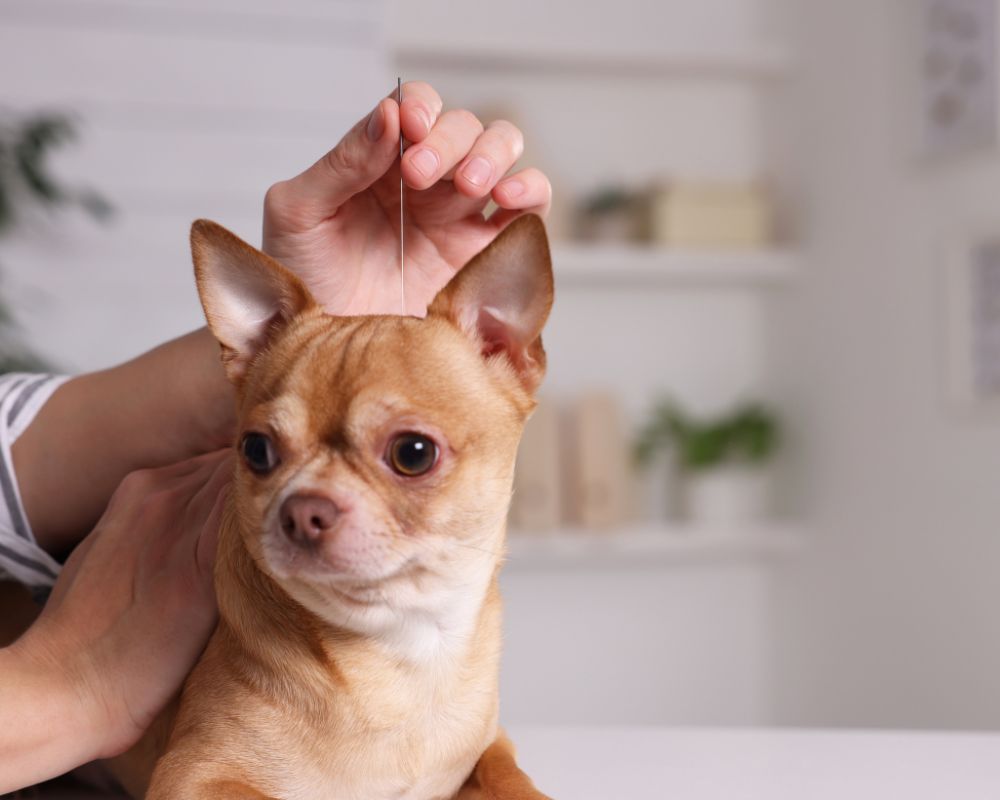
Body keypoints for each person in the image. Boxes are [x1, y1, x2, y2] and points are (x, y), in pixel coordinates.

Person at [0, 81, 551, 793]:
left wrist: (318, 338)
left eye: (410, 455)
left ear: (510, 352)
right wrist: (67, 688)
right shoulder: (247, 644)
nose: (309, 504)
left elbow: (476, 753)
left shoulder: (464, 659)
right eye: (265, 453)